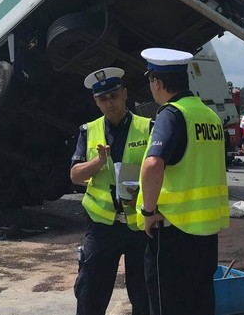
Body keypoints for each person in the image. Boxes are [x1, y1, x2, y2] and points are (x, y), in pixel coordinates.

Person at [135, 48, 229, 315]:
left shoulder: (172, 114)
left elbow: (153, 163)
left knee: (168, 306)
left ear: (157, 82)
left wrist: (148, 212)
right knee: (199, 304)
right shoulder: (210, 116)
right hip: (206, 233)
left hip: (173, 231)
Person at [70, 67, 151, 315]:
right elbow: (75, 175)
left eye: (114, 95)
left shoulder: (148, 127)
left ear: (125, 94)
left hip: (139, 224)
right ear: (96, 102)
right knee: (90, 292)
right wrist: (97, 161)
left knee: (144, 293)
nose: (110, 103)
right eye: (103, 99)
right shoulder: (89, 130)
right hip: (102, 226)